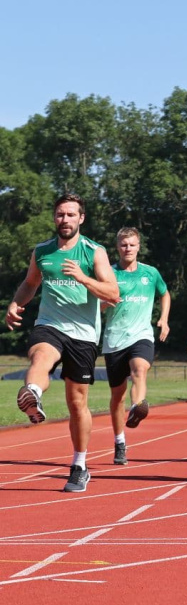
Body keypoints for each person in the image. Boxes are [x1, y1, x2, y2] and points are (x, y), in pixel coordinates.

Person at [4, 193, 119, 492]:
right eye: (60, 214)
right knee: (40, 357)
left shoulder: (94, 252)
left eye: (70, 215)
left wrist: (83, 278)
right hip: (50, 325)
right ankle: (32, 396)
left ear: (81, 218)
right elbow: (31, 283)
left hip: (83, 334)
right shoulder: (42, 251)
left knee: (77, 402)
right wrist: (16, 304)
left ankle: (79, 464)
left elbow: (113, 294)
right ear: (54, 218)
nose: (64, 220)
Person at [101, 227, 171, 466]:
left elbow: (165, 294)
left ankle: (137, 407)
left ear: (139, 246)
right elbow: (95, 305)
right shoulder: (108, 273)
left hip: (141, 334)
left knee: (139, 369)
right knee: (116, 395)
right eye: (123, 245)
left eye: (132, 244)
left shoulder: (150, 273)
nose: (128, 248)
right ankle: (119, 441)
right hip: (114, 340)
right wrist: (104, 303)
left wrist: (163, 319)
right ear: (117, 247)